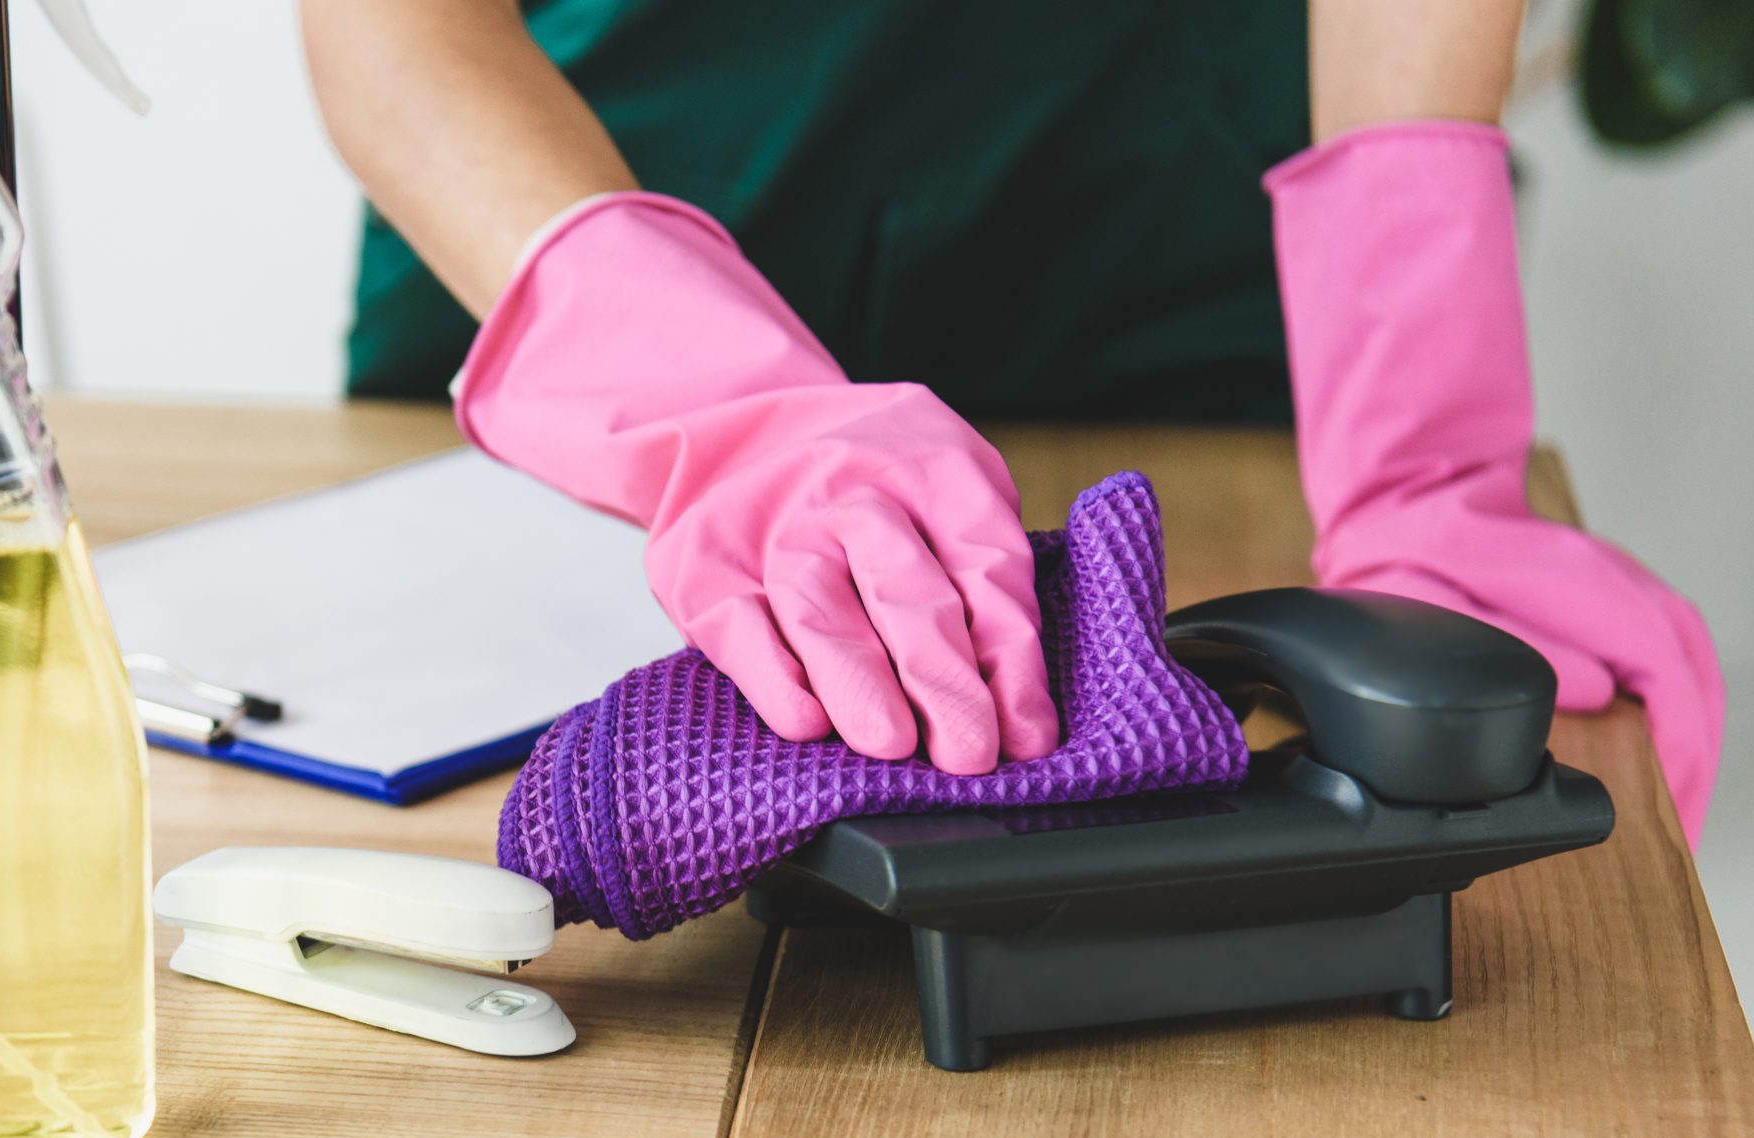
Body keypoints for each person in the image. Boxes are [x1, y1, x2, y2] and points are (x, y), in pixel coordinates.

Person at [297, 0, 1725, 857]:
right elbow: (392, 29)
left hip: (1163, 226)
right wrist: (708, 411)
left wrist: (1426, 438)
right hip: (575, 230)